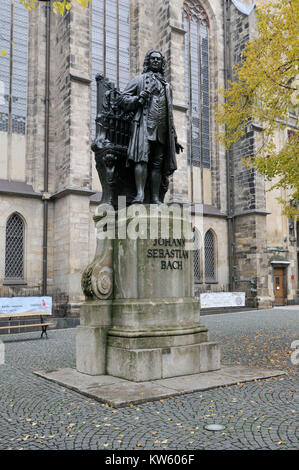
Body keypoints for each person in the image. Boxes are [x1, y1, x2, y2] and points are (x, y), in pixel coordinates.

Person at [119, 49, 183, 204]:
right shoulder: (139, 80)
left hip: (161, 130)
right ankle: (140, 194)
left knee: (157, 165)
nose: (155, 61)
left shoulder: (167, 86)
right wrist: (139, 99)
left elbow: (169, 114)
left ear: (162, 63)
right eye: (153, 59)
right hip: (143, 126)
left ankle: (155, 198)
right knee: (141, 159)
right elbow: (122, 99)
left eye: (158, 59)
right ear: (148, 61)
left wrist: (174, 137)